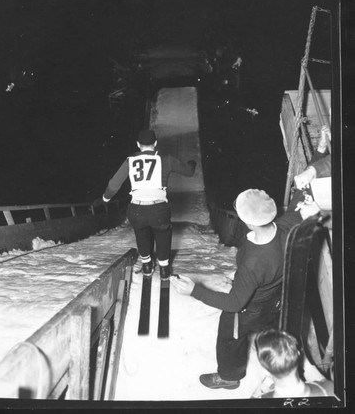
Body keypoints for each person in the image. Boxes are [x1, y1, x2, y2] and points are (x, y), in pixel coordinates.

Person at [171, 187, 320, 390]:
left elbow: (234, 303)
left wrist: (194, 291)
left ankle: (229, 377)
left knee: (229, 336)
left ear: (249, 222)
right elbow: (298, 206)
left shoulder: (254, 260)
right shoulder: (286, 227)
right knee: (269, 326)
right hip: (275, 298)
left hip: (250, 308)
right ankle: (278, 365)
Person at [95, 129, 196, 279]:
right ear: (155, 143)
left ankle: (147, 265)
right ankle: (164, 269)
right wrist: (192, 164)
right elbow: (188, 172)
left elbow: (113, 185)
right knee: (163, 233)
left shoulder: (130, 160)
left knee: (141, 232)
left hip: (136, 209)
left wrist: (104, 200)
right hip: (158, 209)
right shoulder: (165, 159)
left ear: (138, 144)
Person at [254, 328, 334, 398]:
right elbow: (322, 383)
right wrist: (304, 361)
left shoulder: (258, 403)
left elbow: (253, 398)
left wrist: (266, 382)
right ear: (299, 354)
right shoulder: (331, 390)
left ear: (264, 370)